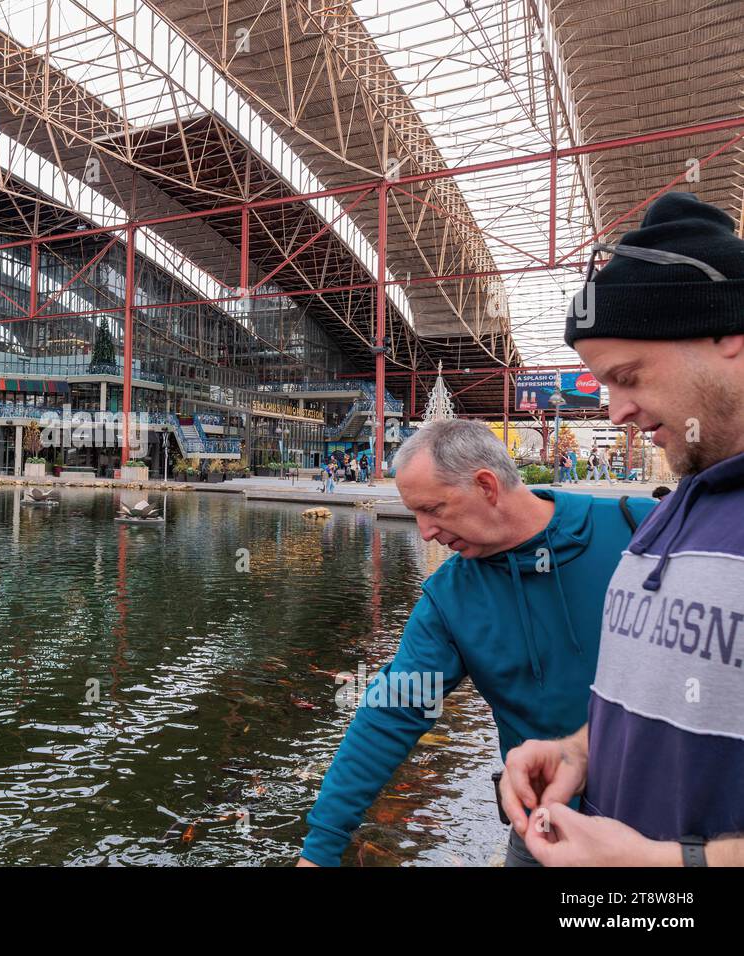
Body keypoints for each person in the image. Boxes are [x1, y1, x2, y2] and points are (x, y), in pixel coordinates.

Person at [502, 191, 744, 866]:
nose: (615, 411)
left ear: (727, 333)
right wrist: (582, 750)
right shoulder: (671, 510)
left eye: (628, 376)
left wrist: (668, 868)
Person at [297, 419, 653, 867]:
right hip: (545, 829)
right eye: (416, 515)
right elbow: (390, 712)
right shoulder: (450, 598)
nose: (424, 532)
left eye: (434, 509)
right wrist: (320, 849)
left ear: (486, 485)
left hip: (668, 821)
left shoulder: (640, 529)